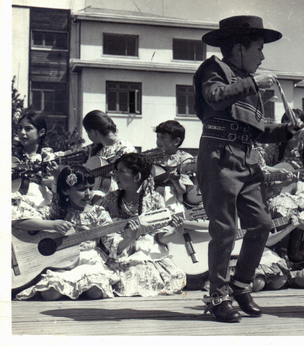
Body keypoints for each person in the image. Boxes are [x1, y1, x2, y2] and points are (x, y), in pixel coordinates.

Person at [193, 15, 300, 322]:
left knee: (262, 223)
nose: (263, 56)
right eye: (259, 48)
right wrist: (252, 83)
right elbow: (214, 97)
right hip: (218, 156)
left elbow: (257, 130)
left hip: (246, 158)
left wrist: (287, 130)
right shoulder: (214, 68)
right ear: (239, 47)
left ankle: (241, 285)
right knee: (224, 230)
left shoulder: (247, 84)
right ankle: (218, 295)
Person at [13, 166, 118, 300]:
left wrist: (129, 237)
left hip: (89, 261)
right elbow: (18, 220)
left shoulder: (98, 212)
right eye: (81, 189)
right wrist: (52, 224)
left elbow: (112, 243)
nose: (88, 193)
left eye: (90, 188)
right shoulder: (57, 210)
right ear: (65, 190)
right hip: (61, 261)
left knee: (94, 290)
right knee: (49, 293)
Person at [98, 153, 186, 297]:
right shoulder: (111, 198)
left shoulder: (155, 199)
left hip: (147, 250)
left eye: (121, 171)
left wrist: (177, 232)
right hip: (119, 249)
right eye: (116, 171)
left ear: (137, 177)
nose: (115, 175)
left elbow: (160, 238)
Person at [82, 110, 136, 201]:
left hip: (119, 200)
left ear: (94, 132)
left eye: (87, 132)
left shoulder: (125, 149)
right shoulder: (97, 147)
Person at [12, 111, 58, 208]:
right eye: (20, 128)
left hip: (40, 201)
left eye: (28, 129)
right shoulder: (11, 154)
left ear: (41, 132)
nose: (22, 132)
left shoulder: (46, 157)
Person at [153, 120, 196, 212]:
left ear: (176, 141)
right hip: (153, 198)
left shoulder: (185, 159)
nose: (158, 142)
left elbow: (183, 190)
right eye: (157, 137)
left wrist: (175, 181)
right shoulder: (154, 156)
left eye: (163, 137)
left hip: (172, 200)